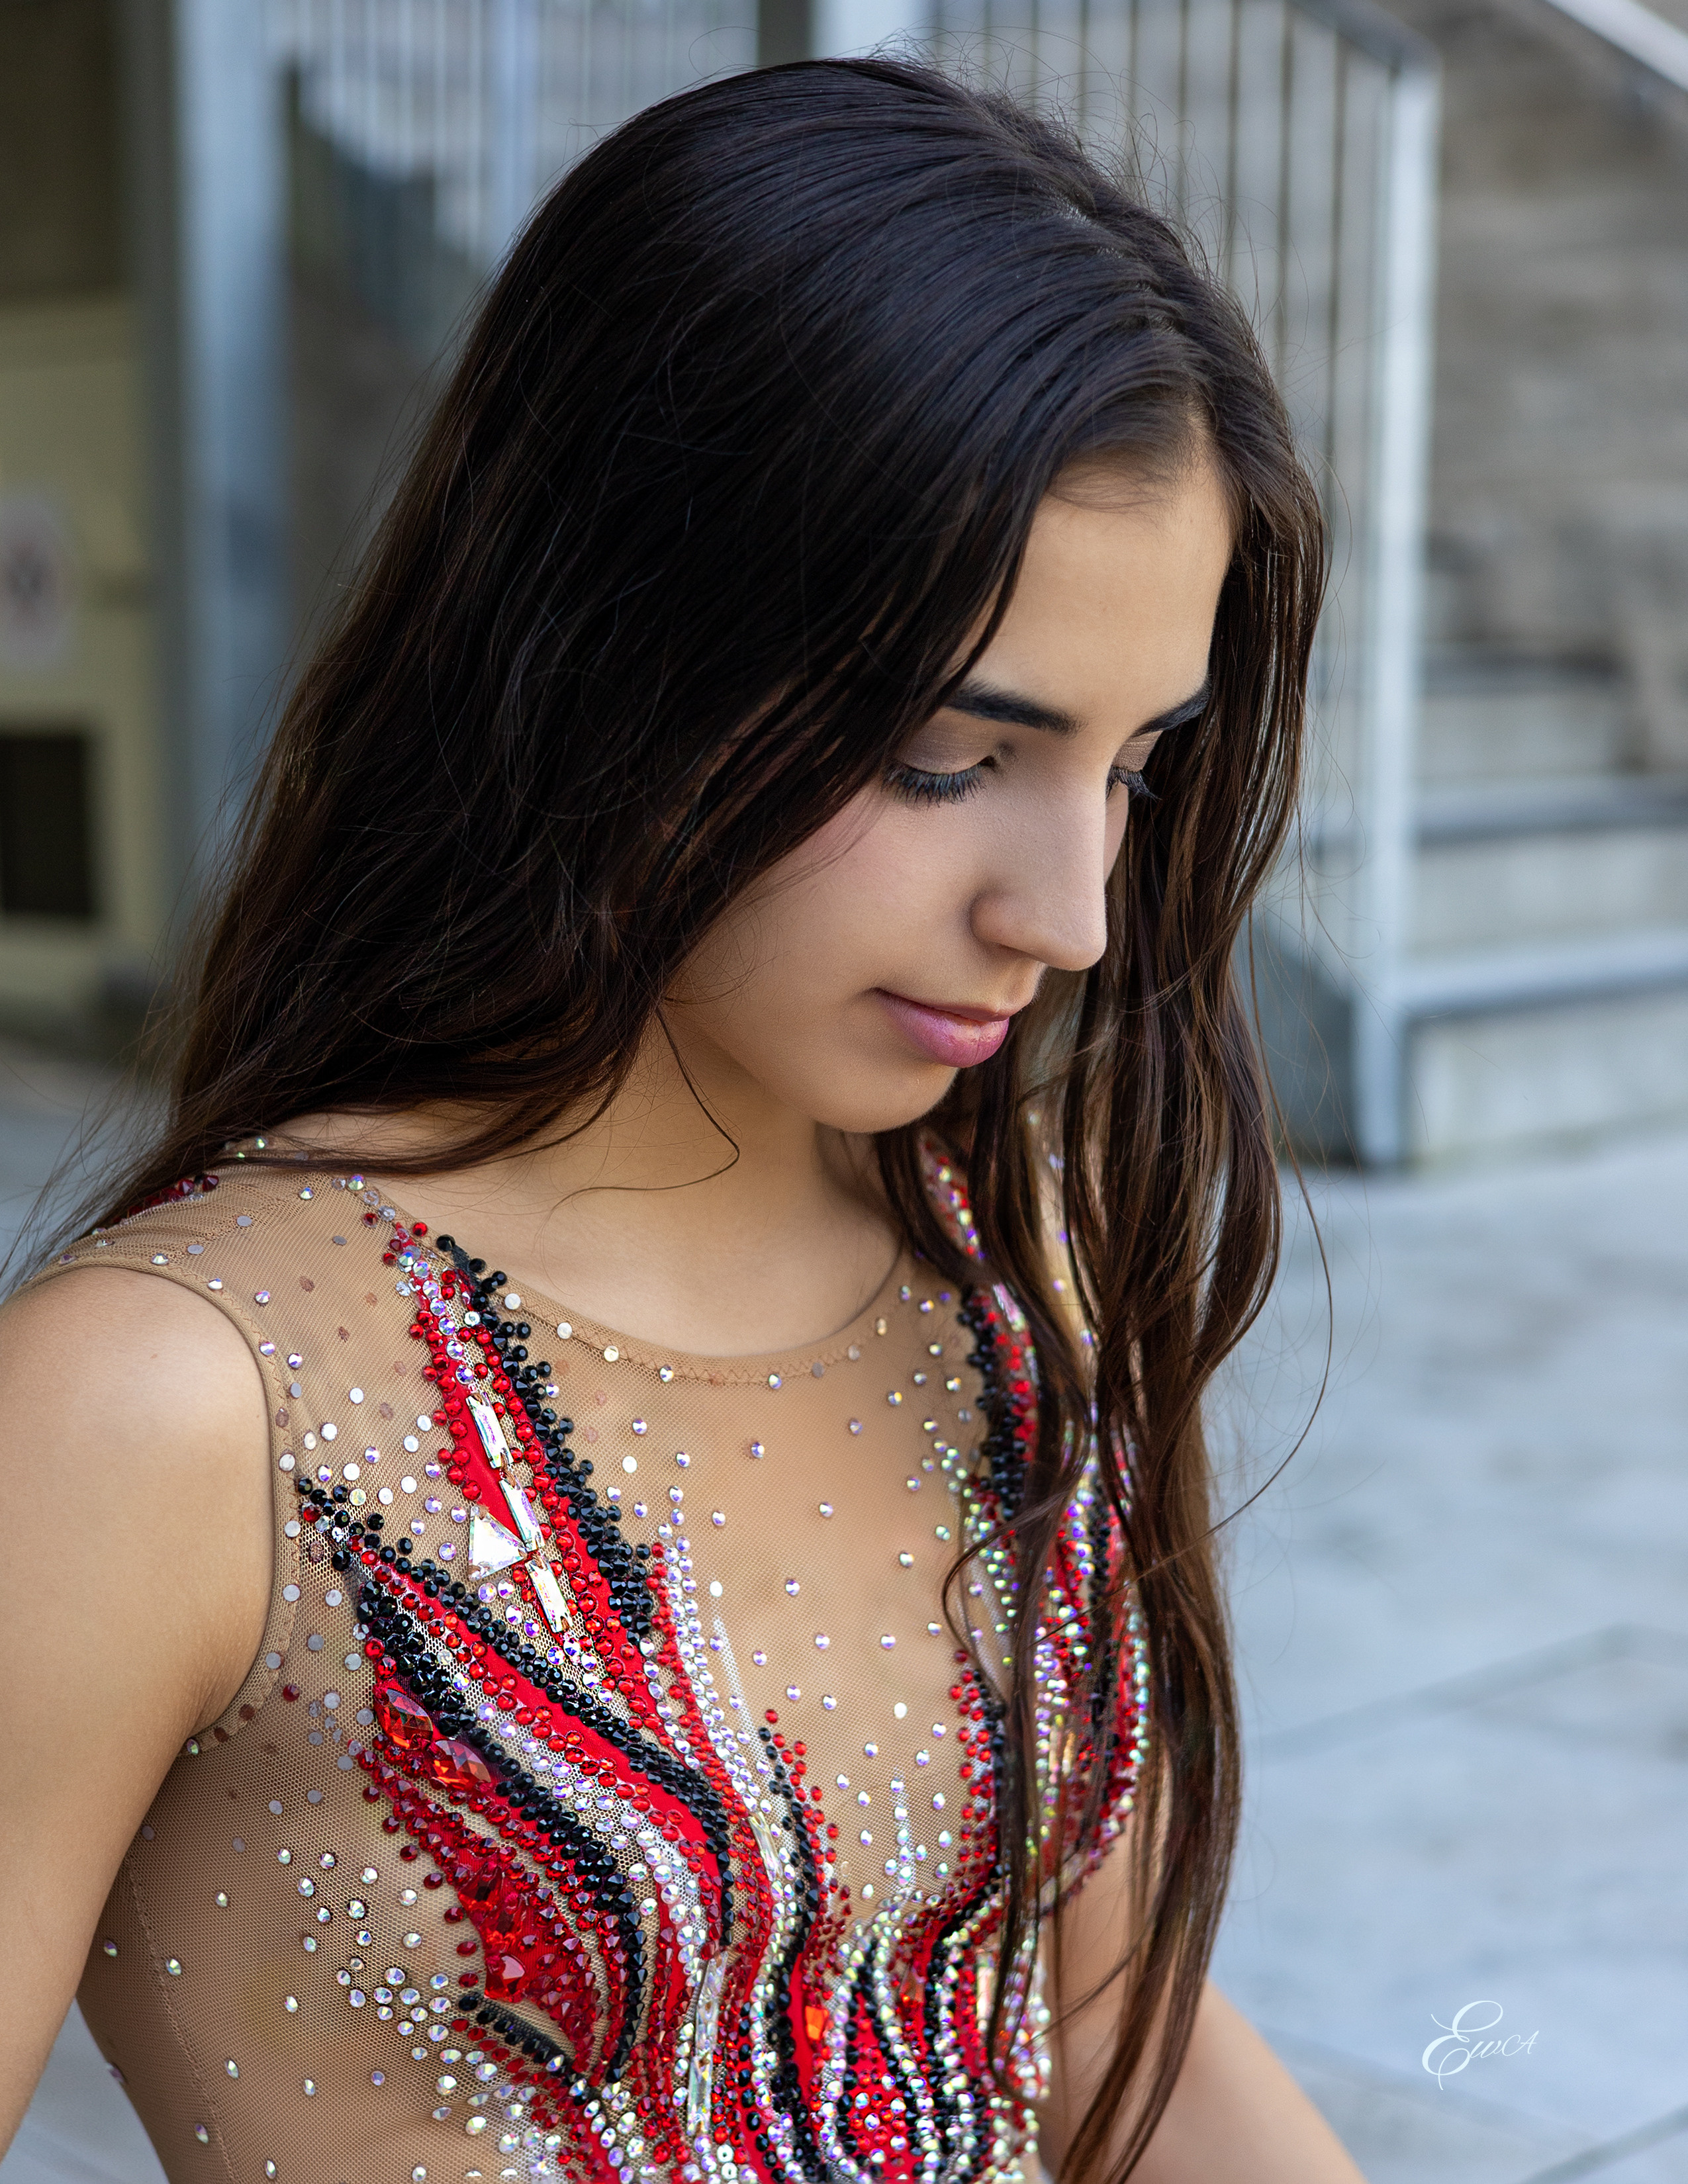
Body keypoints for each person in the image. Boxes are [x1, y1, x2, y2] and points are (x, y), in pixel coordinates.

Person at [0, 56, 1363, 2184]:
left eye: (1138, 763)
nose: (1073, 910)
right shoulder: (169, 1408)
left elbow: (1107, 2020)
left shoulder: (1016, 1300)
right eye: (944, 753)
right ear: (604, 645)